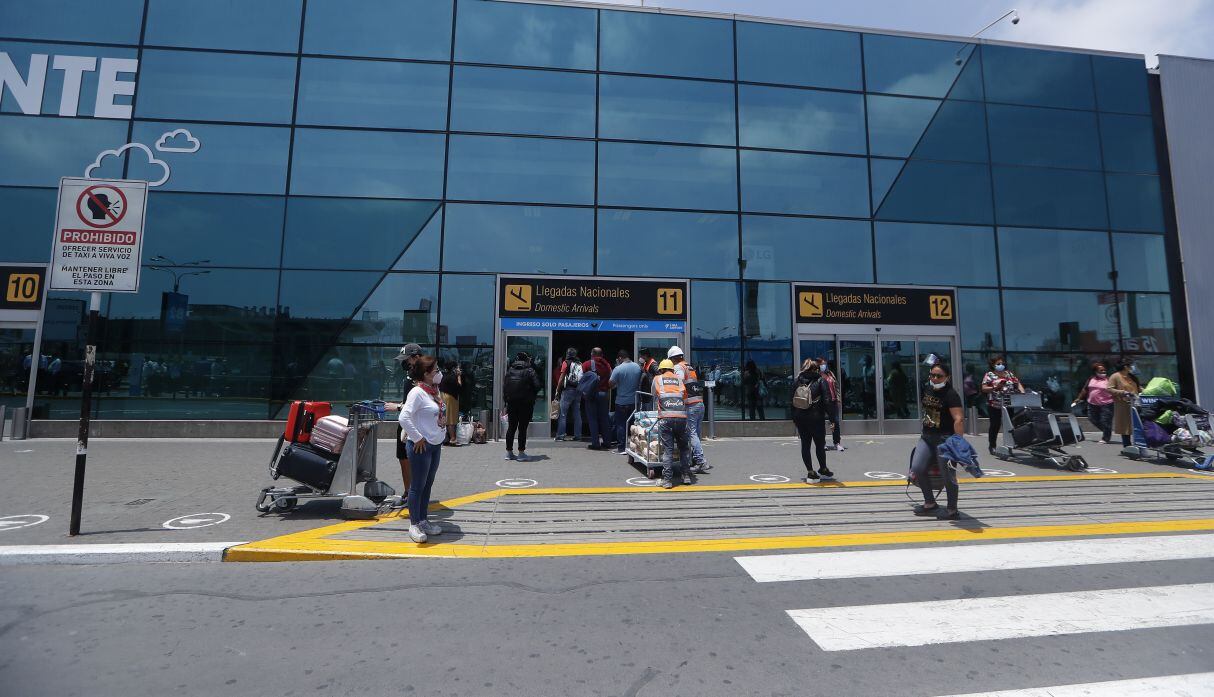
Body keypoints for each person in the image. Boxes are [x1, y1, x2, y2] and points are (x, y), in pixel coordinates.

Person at [398, 355, 446, 543]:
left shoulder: (434, 390)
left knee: (427, 484)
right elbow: (404, 417)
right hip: (421, 447)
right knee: (417, 486)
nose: (438, 373)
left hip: (435, 445)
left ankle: (423, 519)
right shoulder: (417, 393)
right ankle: (414, 524)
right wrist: (417, 437)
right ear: (426, 374)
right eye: (435, 370)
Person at [910, 362, 966, 520]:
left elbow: (959, 419)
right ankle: (930, 502)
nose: (934, 378)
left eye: (939, 376)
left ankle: (952, 510)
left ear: (947, 377)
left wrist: (958, 443)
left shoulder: (951, 394)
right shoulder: (928, 389)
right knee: (917, 468)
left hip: (945, 439)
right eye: (932, 375)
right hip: (926, 437)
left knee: (948, 475)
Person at [385, 343, 423, 502]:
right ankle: (409, 491)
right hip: (406, 423)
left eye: (407, 359)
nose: (404, 363)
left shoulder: (423, 377)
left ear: (416, 357)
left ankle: (415, 494)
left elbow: (421, 403)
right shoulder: (410, 374)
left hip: (415, 426)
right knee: (403, 459)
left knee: (414, 460)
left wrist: (398, 406)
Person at [791, 359, 835, 484]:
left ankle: (810, 471)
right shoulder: (821, 381)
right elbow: (827, 400)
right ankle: (823, 468)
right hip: (816, 418)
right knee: (819, 444)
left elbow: (791, 401)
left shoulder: (797, 381)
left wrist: (794, 418)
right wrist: (832, 419)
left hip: (800, 418)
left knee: (805, 445)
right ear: (816, 369)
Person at [669, 346, 711, 473]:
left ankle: (700, 461)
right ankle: (695, 459)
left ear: (674, 358)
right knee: (696, 434)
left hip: (690, 404)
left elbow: (679, 382)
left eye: (671, 359)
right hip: (699, 403)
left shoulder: (678, 367)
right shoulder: (689, 366)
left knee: (692, 433)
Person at [653, 359, 694, 488]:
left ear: (661, 369)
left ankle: (667, 480)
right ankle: (686, 476)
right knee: (684, 448)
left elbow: (653, 394)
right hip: (681, 418)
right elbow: (685, 397)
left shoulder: (657, 379)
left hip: (665, 418)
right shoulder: (679, 380)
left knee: (668, 450)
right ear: (672, 369)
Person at [980, 355, 1025, 454]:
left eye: (1002, 363)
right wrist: (994, 387)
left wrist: (1022, 392)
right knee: (995, 425)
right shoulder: (989, 375)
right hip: (995, 405)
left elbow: (1017, 383)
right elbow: (983, 388)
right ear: (993, 365)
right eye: (998, 364)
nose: (1001, 365)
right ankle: (992, 446)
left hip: (1008, 403)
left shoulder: (1009, 374)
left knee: (1009, 425)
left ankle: (1009, 446)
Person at [502, 351, 541, 461]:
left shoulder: (510, 370)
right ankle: (521, 453)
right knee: (522, 428)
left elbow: (505, 387)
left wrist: (506, 401)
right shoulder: (530, 370)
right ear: (527, 359)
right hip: (525, 403)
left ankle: (509, 453)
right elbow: (537, 385)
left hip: (511, 403)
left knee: (511, 427)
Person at [609, 350, 642, 455]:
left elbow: (610, 383)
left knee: (621, 425)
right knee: (633, 425)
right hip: (634, 401)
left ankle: (622, 448)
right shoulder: (637, 367)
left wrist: (618, 383)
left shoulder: (618, 369)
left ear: (619, 358)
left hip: (621, 401)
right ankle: (633, 448)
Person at [1073, 362, 1114, 443]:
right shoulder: (1091, 379)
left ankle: (1105, 438)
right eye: (1101, 371)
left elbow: (1114, 390)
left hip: (1106, 404)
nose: (1103, 372)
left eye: (1104, 370)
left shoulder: (1108, 379)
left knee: (1105, 420)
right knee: (1092, 419)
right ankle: (1107, 430)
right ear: (1095, 371)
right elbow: (1085, 389)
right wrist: (1078, 398)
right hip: (1092, 404)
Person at [582, 347, 613, 450]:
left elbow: (580, 378)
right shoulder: (607, 365)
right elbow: (611, 379)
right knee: (604, 418)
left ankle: (595, 443)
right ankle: (607, 442)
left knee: (592, 419)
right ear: (602, 354)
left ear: (592, 354)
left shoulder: (586, 364)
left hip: (591, 394)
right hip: (604, 394)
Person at [1107, 358, 1141, 447]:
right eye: (1131, 365)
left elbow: (1138, 388)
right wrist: (1122, 392)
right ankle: (1127, 446)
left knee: (1136, 425)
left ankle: (1139, 444)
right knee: (1125, 426)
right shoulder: (1115, 376)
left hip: (1135, 405)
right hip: (1123, 405)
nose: (1133, 367)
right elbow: (1109, 389)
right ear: (1125, 366)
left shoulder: (1131, 376)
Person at [554, 348, 583, 441]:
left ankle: (560, 435)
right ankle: (578, 435)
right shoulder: (580, 364)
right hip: (578, 390)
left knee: (563, 414)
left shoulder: (566, 363)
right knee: (577, 413)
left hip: (568, 390)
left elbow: (562, 377)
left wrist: (557, 390)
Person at [817, 357, 845, 452]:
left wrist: (838, 398)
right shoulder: (817, 375)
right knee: (820, 423)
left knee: (835, 423)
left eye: (824, 364)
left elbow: (836, 386)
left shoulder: (830, 373)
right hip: (821, 403)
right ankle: (822, 443)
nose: (823, 366)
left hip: (832, 402)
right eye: (821, 364)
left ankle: (837, 443)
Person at [439, 359, 462, 446]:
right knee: (451, 419)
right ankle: (453, 439)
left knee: (445, 417)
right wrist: (459, 376)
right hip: (450, 398)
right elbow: (459, 387)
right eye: (457, 367)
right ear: (453, 368)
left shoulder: (443, 375)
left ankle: (445, 438)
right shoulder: (452, 377)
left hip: (444, 397)